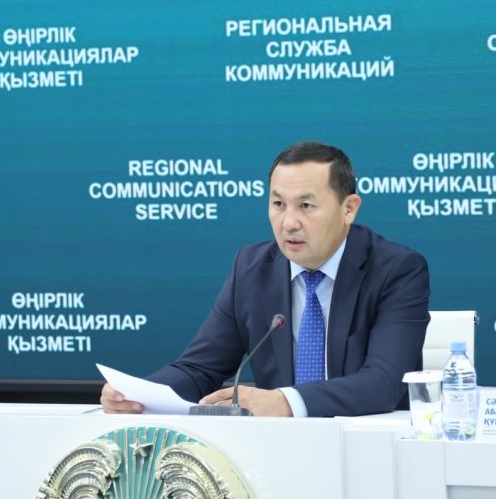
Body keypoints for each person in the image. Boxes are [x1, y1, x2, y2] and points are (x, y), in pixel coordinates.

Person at [101, 141, 430, 417]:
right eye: (278, 204)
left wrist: (286, 401)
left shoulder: (396, 270)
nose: (289, 222)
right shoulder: (251, 268)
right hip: (274, 449)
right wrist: (137, 394)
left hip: (367, 446)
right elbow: (199, 369)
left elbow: (385, 383)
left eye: (306, 206)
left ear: (349, 209)